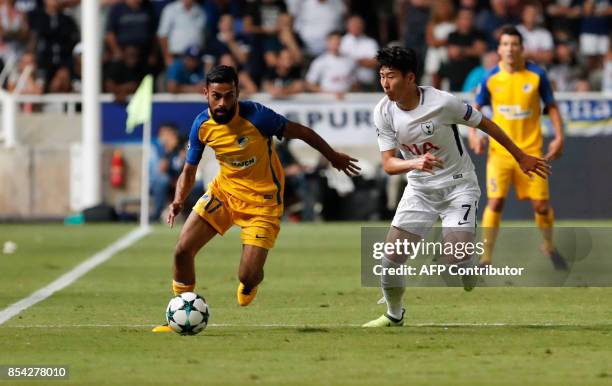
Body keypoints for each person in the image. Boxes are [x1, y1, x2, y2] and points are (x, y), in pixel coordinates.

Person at [152, 65, 360, 332]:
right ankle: (178, 314)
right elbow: (189, 169)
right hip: (225, 193)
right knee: (182, 250)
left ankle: (250, 282)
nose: (223, 103)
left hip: (263, 203)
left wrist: (334, 157)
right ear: (206, 94)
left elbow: (303, 132)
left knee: (247, 276)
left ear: (237, 93)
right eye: (217, 96)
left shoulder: (258, 117)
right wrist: (179, 199)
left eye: (229, 95)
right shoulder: (201, 125)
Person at [362, 46, 550, 327]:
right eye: (381, 76)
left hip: (458, 187)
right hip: (419, 191)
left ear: (410, 78)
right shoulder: (383, 112)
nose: (385, 83)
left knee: (455, 259)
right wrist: (414, 164)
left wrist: (520, 155)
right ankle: (393, 313)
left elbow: (486, 123)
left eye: (390, 76)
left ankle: (468, 266)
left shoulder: (442, 102)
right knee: (390, 260)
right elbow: (389, 164)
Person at [467, 25, 566, 269]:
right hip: (500, 153)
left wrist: (559, 136)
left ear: (522, 49)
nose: (510, 49)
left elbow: (551, 106)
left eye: (514, 44)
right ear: (499, 50)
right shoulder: (490, 77)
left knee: (541, 206)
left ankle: (549, 245)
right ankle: (486, 258)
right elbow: (475, 109)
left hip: (532, 151)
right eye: (505, 44)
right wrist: (472, 134)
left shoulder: (536, 75)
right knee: (496, 202)